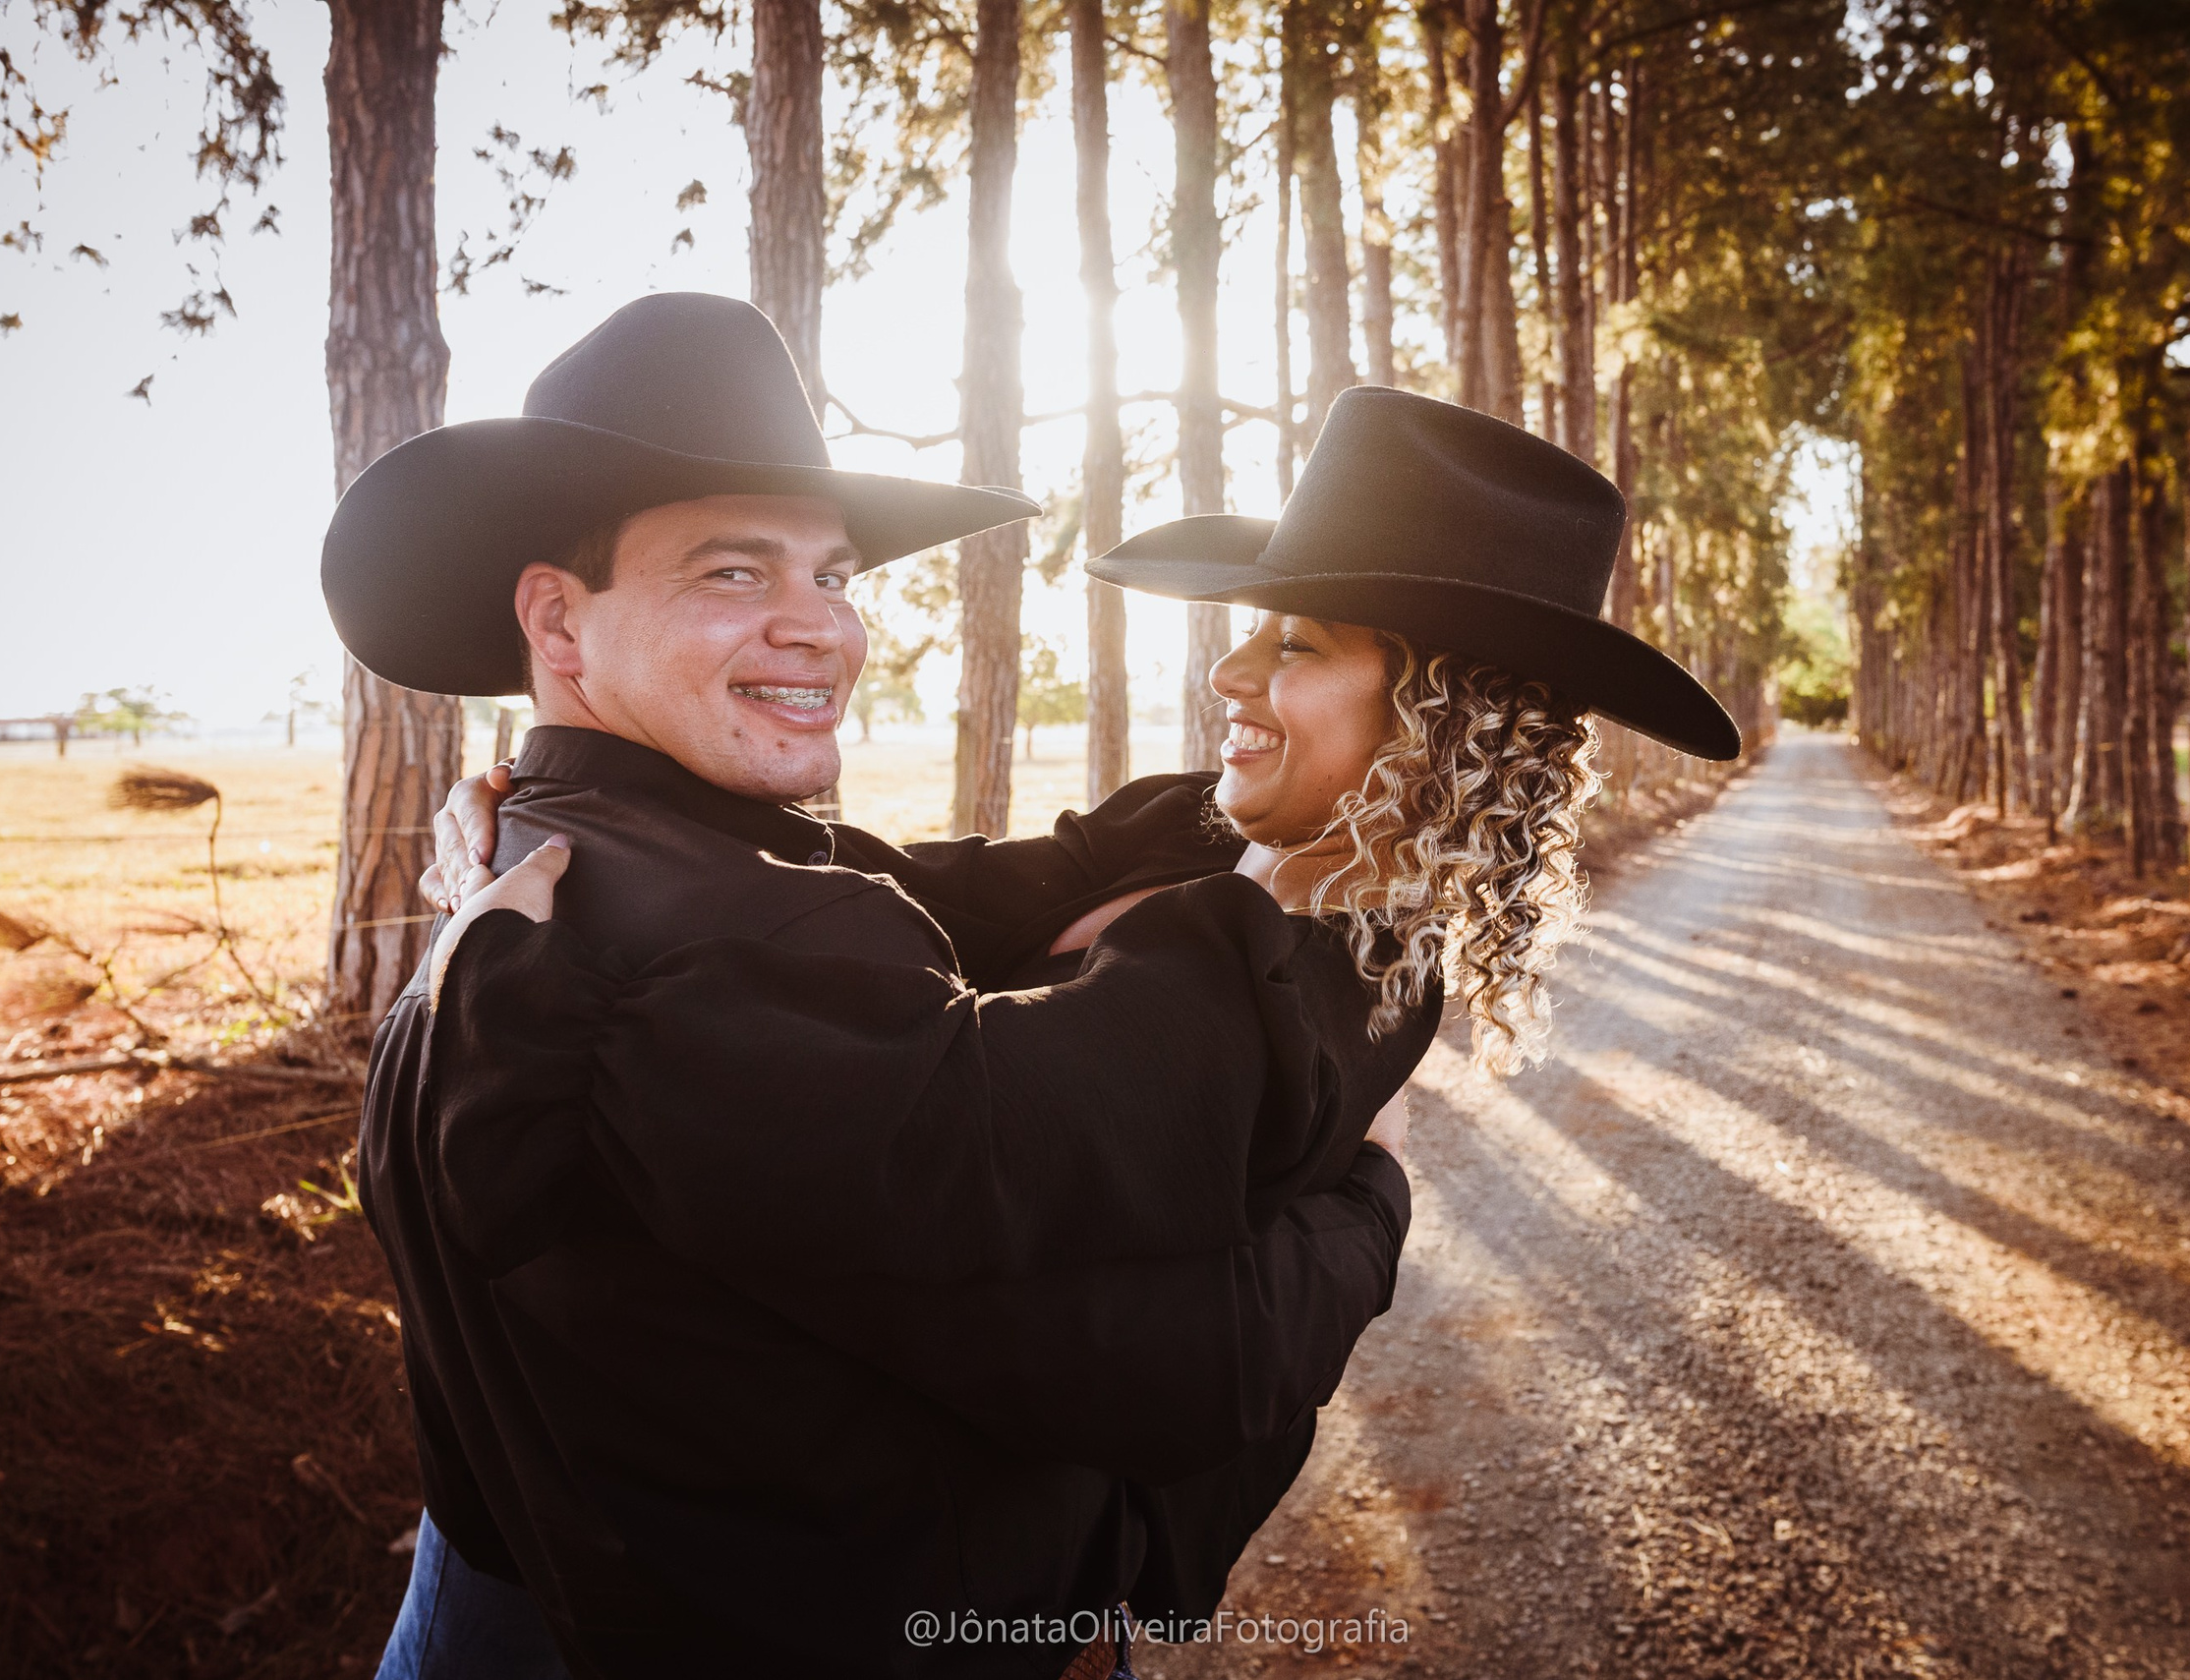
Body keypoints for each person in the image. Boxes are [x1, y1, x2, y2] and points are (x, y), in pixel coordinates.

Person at [423, 382, 1741, 1670]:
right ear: (559, 622)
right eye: (732, 572)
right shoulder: (1188, 832)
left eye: (1296, 644)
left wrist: (1373, 1202)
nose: (1228, 668)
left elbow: (1175, 1352)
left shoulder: (1334, 990)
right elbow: (909, 892)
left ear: (1437, 722)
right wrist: (558, 793)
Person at [331, 293, 1423, 1680]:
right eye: (734, 573)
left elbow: (956, 881)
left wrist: (1280, 794)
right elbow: (1186, 1355)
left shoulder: (546, 862)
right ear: (558, 619)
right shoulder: (725, 949)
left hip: (506, 1583)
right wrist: (1373, 1184)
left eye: (832, 575)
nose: (822, 631)